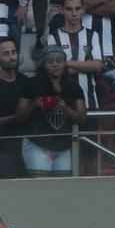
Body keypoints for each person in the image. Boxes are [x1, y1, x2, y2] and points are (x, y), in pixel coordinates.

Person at [19, 45, 86, 177]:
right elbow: (19, 117)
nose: (55, 64)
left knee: (62, 187)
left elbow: (82, 119)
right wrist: (34, 105)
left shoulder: (74, 86)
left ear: (64, 63)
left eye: (59, 61)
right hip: (37, 144)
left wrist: (65, 108)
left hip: (64, 147)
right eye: (50, 61)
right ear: (43, 64)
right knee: (41, 186)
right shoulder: (31, 84)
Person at [48, 0, 105, 111]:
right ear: (61, 10)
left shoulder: (92, 35)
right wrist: (86, 66)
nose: (74, 13)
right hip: (64, 104)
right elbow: (55, 70)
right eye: (69, 9)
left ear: (83, 9)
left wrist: (67, 63)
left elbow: (98, 66)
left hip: (90, 100)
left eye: (77, 9)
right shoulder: (53, 37)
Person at [0, 36, 30, 179]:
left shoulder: (27, 82)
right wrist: (16, 118)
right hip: (1, 149)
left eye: (14, 52)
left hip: (26, 144)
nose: (12, 57)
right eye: (6, 54)